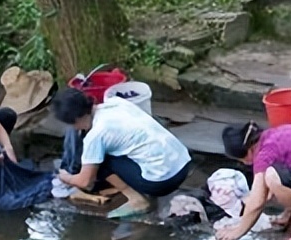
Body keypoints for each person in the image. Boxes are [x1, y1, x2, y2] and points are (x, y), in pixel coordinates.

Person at [52, 88, 192, 219]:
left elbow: (85, 181)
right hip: (183, 163)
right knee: (113, 148)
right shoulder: (116, 103)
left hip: (164, 182)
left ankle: (136, 200)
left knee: (99, 160)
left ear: (76, 120)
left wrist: (66, 178)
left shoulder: (96, 136)